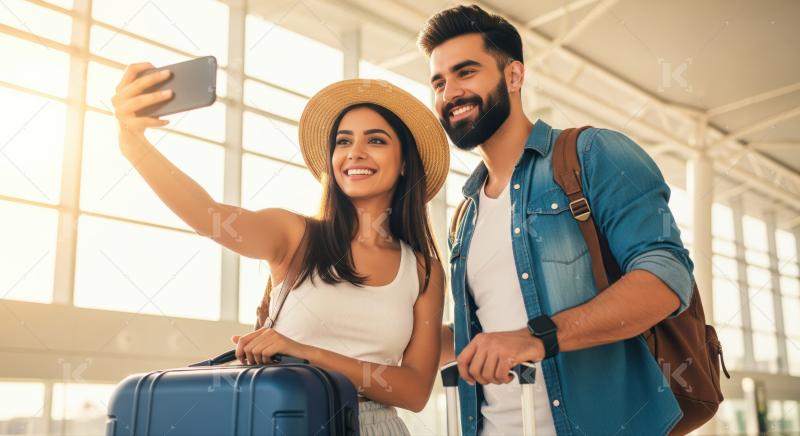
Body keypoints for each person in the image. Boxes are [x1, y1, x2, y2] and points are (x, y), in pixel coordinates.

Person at [112, 67, 450, 434]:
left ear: (404, 164)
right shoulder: (294, 234)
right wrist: (133, 142)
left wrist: (310, 354)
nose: (355, 153)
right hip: (291, 419)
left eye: (376, 141)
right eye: (343, 141)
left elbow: (415, 390)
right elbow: (210, 217)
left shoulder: (423, 270)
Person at [419, 5, 695, 435]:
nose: (449, 92)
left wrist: (538, 337)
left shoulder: (591, 154)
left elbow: (666, 278)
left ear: (514, 76)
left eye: (465, 72)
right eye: (439, 81)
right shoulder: (465, 214)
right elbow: (480, 334)